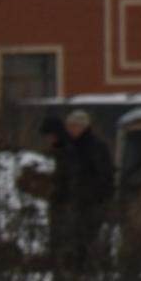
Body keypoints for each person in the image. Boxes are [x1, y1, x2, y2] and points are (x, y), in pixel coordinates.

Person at [47, 108, 114, 271]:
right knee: (64, 241)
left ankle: (86, 271)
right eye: (69, 126)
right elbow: (60, 176)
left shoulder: (96, 148)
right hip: (66, 204)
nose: (70, 130)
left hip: (88, 204)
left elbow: (105, 176)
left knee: (86, 241)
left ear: (83, 127)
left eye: (74, 126)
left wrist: (98, 198)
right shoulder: (65, 148)